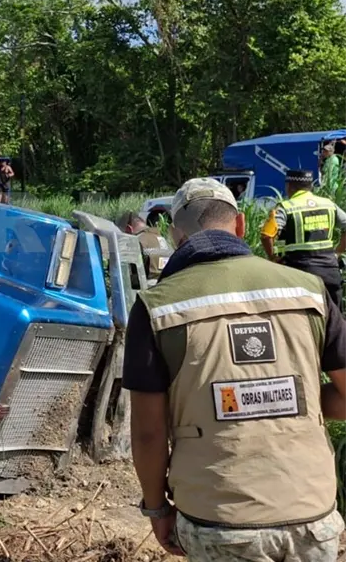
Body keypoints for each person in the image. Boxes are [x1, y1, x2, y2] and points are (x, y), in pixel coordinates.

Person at [123, 177, 346, 561]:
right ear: (240, 225)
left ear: (176, 236)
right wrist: (287, 400)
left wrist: (156, 508)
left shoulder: (156, 307)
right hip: (310, 510)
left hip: (218, 519)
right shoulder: (308, 289)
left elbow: (148, 432)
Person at [260, 169, 346, 308]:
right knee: (335, 318)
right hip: (330, 269)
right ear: (310, 186)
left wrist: (272, 257)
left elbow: (266, 235)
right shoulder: (328, 204)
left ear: (289, 186)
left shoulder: (286, 207)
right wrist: (338, 252)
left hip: (300, 270)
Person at [117, 211, 171, 280]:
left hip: (149, 287)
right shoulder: (164, 240)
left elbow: (126, 276)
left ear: (128, 229)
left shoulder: (136, 242)